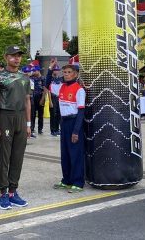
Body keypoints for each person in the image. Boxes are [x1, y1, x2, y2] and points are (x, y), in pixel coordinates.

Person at [0, 45, 32, 210]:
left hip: (21, 117)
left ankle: (13, 191)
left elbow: (28, 101)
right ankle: (3, 193)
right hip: (5, 117)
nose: (17, 58)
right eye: (13, 56)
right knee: (5, 157)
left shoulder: (25, 78)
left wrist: (28, 124)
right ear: (6, 57)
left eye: (19, 56)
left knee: (18, 156)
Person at [52, 62, 86, 193]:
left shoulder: (79, 90)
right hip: (64, 123)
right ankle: (67, 180)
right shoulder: (61, 87)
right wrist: (50, 70)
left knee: (75, 154)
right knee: (65, 153)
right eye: (64, 72)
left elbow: (81, 111)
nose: (66, 75)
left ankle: (78, 182)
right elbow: (47, 85)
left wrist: (76, 131)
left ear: (75, 74)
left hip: (74, 122)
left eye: (69, 72)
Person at [45, 58, 62, 136]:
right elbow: (47, 89)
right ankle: (53, 130)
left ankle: (57, 129)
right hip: (53, 97)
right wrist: (50, 66)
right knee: (53, 114)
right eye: (55, 70)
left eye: (57, 70)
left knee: (59, 114)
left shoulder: (61, 79)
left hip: (60, 98)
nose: (56, 71)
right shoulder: (50, 79)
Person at [29, 65, 45, 136]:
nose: (33, 72)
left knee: (41, 115)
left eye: (34, 70)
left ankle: (40, 129)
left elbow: (45, 90)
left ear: (38, 71)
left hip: (40, 97)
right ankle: (32, 129)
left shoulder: (43, 78)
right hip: (33, 98)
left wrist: (43, 99)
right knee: (32, 114)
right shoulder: (31, 78)